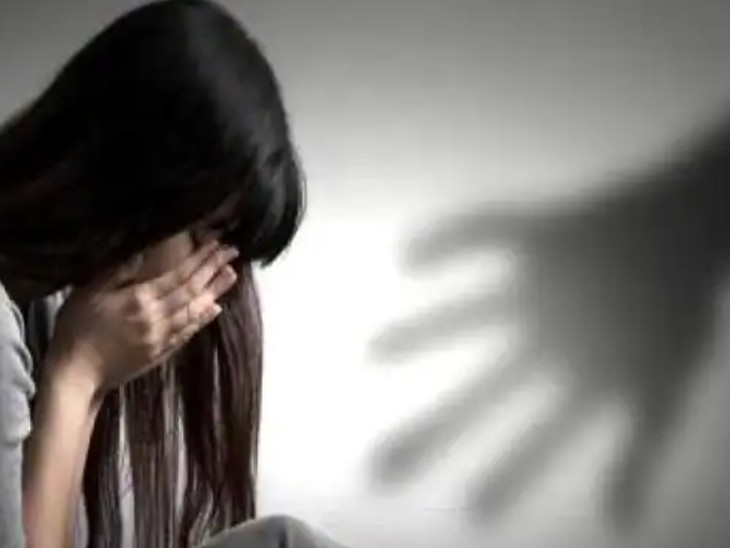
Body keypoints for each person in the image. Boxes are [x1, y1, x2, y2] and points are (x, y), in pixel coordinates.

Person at [0, 1, 347, 547]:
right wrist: (78, 372)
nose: (213, 283)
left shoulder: (47, 306)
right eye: (206, 237)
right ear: (133, 182)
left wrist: (88, 377)